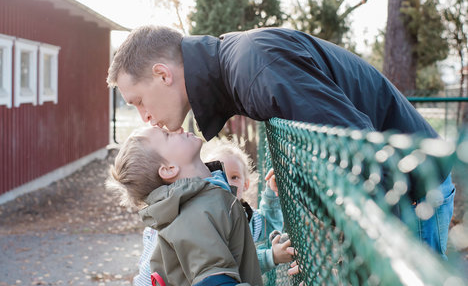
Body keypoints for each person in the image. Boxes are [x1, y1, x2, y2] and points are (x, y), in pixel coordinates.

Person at [106, 25, 455, 259]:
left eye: (137, 101)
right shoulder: (238, 67)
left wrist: (362, 257)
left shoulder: (254, 67)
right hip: (404, 189)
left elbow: (358, 153)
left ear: (162, 75)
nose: (144, 118)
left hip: (411, 194)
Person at [107, 126, 263, 285]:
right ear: (169, 169)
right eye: (167, 135)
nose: (177, 128)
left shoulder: (207, 195)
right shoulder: (195, 217)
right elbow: (214, 280)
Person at [132, 138, 298, 286]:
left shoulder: (242, 214)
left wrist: (271, 193)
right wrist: (271, 257)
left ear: (246, 184)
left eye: (234, 177)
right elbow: (217, 273)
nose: (226, 181)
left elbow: (268, 222)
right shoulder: (200, 217)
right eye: (219, 175)